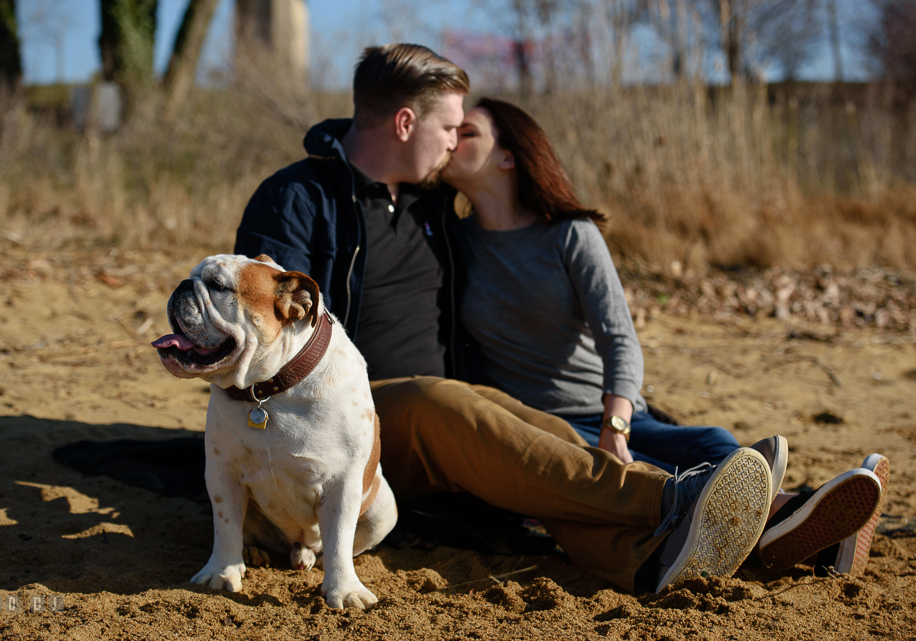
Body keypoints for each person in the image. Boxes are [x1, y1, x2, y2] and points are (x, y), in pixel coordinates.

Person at [231, 43, 872, 592]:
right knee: (447, 403)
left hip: (455, 423)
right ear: (404, 122)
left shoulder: (431, 208)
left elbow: (536, 258)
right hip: (346, 420)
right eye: (450, 127)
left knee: (544, 450)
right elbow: (264, 336)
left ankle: (662, 558)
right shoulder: (297, 200)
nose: (456, 142)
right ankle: (673, 499)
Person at [438, 96, 890, 575]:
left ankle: (800, 526)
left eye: (466, 133)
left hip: (607, 408)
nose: (450, 139)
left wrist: (616, 424)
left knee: (710, 445)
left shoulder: (569, 234)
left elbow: (619, 338)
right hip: (540, 423)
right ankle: (812, 527)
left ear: (507, 157)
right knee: (655, 480)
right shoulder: (453, 242)